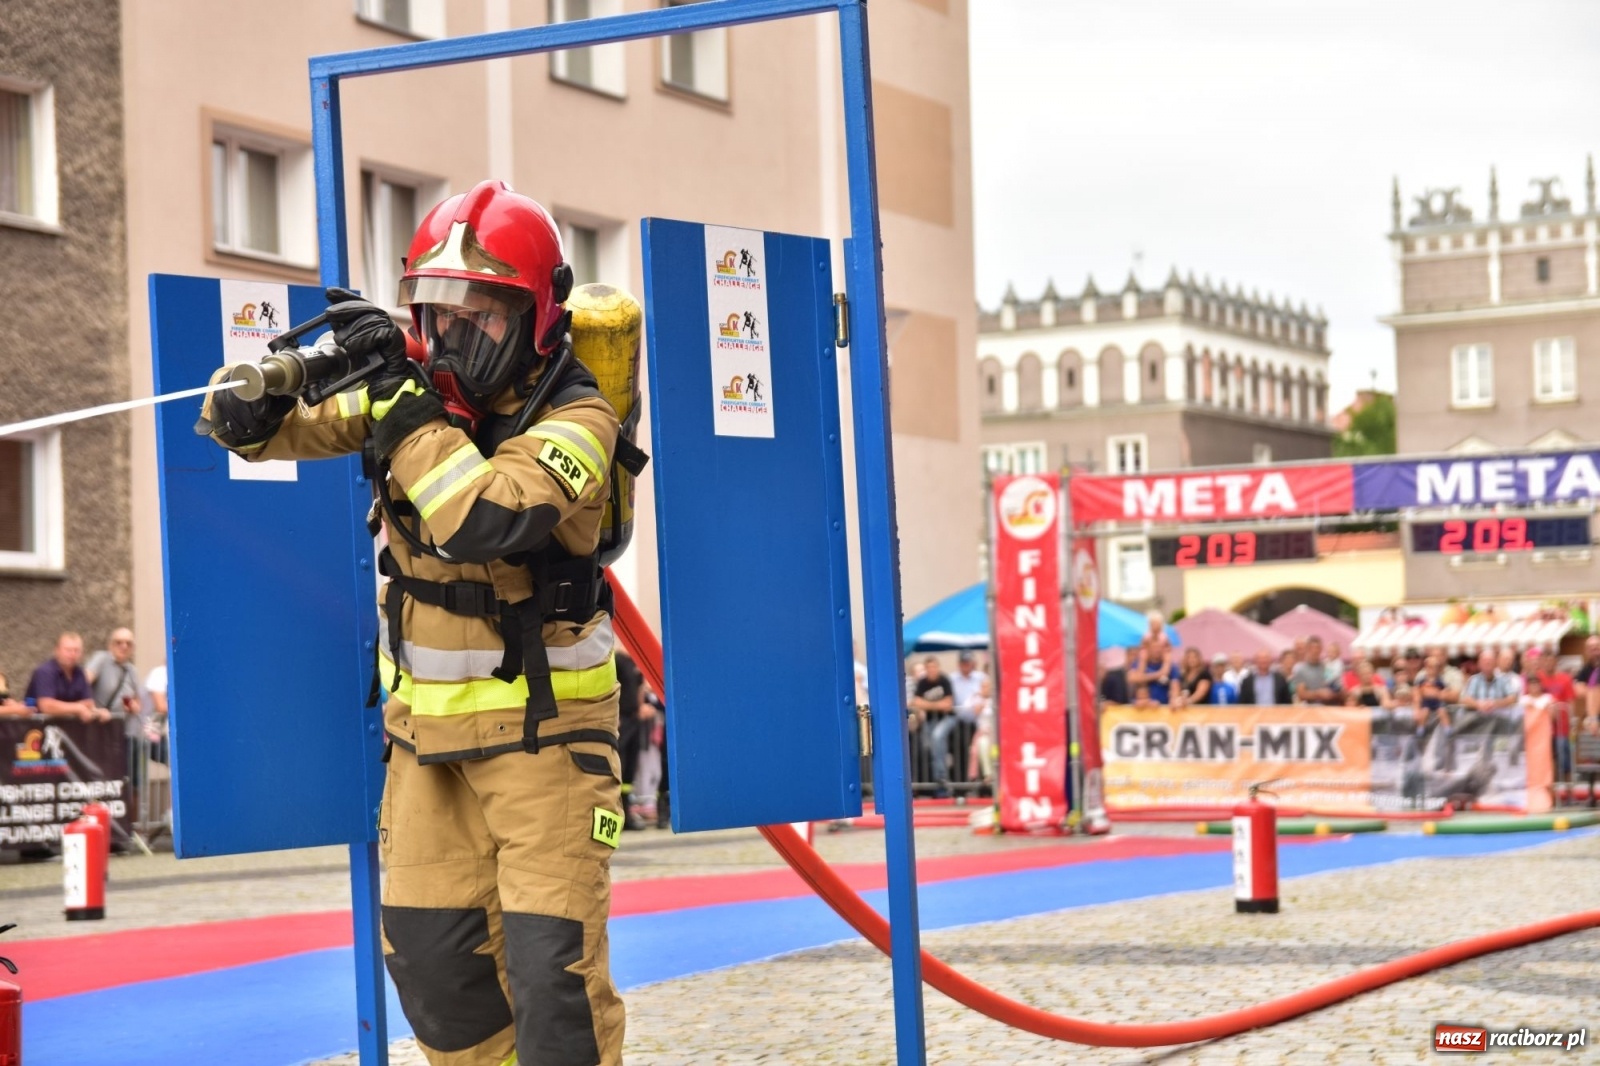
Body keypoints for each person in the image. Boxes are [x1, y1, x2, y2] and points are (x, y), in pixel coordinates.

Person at [201, 181, 626, 1066]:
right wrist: (246, 404)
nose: (456, 343)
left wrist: (402, 403)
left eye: (484, 319)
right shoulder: (416, 396)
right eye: (438, 318)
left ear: (541, 316)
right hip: (426, 747)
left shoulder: (580, 419)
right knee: (433, 973)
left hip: (547, 747)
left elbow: (486, 519)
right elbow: (267, 431)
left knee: (554, 980)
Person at [25, 633, 112, 722]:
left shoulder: (80, 673)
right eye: (68, 650)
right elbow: (46, 706)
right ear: (57, 651)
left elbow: (88, 703)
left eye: (76, 650)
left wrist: (98, 712)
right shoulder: (45, 671)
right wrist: (77, 708)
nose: (72, 654)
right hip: (38, 728)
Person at [910, 655, 957, 797]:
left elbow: (948, 704)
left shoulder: (944, 680)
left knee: (937, 738)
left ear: (938, 667)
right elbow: (916, 702)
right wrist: (937, 706)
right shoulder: (922, 683)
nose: (932, 670)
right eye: (929, 667)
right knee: (928, 746)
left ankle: (941, 778)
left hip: (947, 719)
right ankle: (935, 781)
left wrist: (928, 705)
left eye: (934, 667)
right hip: (930, 721)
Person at [86, 628, 146, 733]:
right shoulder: (101, 659)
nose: (124, 646)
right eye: (119, 643)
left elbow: (137, 701)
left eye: (129, 644)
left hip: (120, 730)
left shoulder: (132, 671)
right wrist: (95, 710)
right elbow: (82, 686)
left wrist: (134, 706)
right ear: (110, 645)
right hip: (97, 726)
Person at [615, 650, 648, 831]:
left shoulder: (633, 661)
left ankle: (627, 814)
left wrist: (641, 706)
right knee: (619, 765)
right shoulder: (617, 660)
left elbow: (640, 687)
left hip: (634, 719)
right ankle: (617, 814)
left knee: (629, 770)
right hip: (621, 719)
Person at [1129, 639, 1180, 707]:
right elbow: (1133, 678)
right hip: (1141, 708)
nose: (1157, 650)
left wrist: (1174, 699)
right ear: (1148, 649)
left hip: (1162, 708)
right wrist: (1160, 674)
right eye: (1154, 647)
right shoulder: (1138, 663)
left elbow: (1175, 685)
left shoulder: (1172, 666)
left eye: (1160, 647)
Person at [1291, 637, 1340, 705]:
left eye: (1318, 648)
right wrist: (1318, 694)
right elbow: (1301, 694)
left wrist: (1332, 693)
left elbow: (1334, 688)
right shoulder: (1300, 669)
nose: (1315, 650)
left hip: (1326, 708)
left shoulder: (1326, 668)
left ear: (1321, 649)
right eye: (1312, 648)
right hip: (1309, 709)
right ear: (1307, 649)